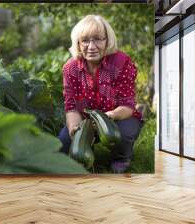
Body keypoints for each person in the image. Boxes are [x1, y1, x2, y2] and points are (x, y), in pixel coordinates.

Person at [58, 15, 143, 173]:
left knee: (122, 135)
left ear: (107, 40)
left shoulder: (121, 62)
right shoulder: (70, 68)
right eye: (85, 40)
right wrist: (74, 128)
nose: (91, 46)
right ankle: (87, 155)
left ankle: (122, 157)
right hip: (85, 119)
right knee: (63, 143)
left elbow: (127, 105)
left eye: (98, 39)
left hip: (119, 116)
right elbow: (71, 106)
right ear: (78, 43)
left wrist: (107, 117)